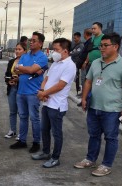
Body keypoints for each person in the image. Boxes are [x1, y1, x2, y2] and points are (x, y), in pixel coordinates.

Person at [74, 33, 122, 177]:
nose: (102, 48)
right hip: (94, 107)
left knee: (110, 138)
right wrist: (83, 99)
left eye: (105, 45)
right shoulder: (96, 63)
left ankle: (106, 165)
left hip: (112, 110)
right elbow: (88, 81)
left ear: (115, 47)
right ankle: (90, 159)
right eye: (101, 45)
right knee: (93, 135)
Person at [32, 38, 76, 168]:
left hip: (57, 105)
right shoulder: (56, 63)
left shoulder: (70, 66)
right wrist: (42, 91)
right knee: (44, 129)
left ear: (65, 51)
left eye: (56, 50)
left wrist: (44, 94)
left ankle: (55, 158)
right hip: (47, 103)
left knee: (56, 133)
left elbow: (60, 85)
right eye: (53, 50)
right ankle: (45, 152)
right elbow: (46, 78)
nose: (53, 53)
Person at [10, 32, 48, 153]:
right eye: (30, 40)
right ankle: (22, 140)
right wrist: (29, 70)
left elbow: (29, 69)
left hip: (33, 93)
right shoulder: (25, 56)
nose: (31, 42)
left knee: (34, 118)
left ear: (41, 43)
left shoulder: (42, 57)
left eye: (34, 40)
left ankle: (36, 142)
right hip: (21, 92)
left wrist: (27, 69)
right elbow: (17, 70)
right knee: (22, 117)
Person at [4, 42, 27, 139]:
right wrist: (9, 81)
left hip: (22, 89)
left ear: (25, 51)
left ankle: (22, 134)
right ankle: (12, 130)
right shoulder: (11, 61)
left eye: (19, 49)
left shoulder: (27, 62)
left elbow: (27, 75)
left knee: (22, 113)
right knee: (12, 111)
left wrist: (19, 80)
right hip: (12, 89)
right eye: (16, 49)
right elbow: (7, 75)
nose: (17, 51)